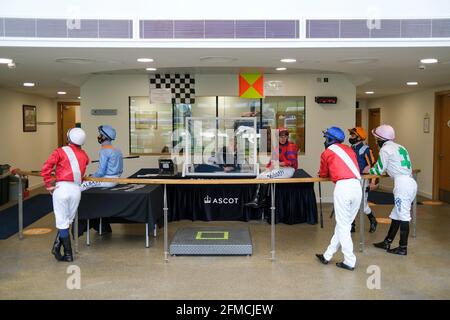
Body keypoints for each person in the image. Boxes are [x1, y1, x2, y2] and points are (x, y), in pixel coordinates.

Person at [315, 127, 362, 271]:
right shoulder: (349, 149)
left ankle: (349, 260)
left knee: (343, 226)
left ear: (330, 139)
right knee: (344, 224)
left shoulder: (327, 152)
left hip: (343, 188)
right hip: (357, 186)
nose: (324, 141)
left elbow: (323, 173)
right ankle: (327, 255)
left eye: (326, 138)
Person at [366, 124, 417, 256]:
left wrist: (367, 170)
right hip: (410, 182)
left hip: (402, 185)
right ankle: (387, 242)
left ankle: (402, 247)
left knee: (404, 215)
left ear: (381, 139)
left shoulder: (385, 149)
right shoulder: (400, 147)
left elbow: (379, 169)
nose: (376, 141)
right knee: (396, 214)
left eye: (377, 138)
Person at [41, 128, 89, 262]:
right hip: (76, 190)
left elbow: (46, 168)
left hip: (61, 188)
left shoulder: (59, 151)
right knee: (67, 221)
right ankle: (56, 247)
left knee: (62, 222)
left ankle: (68, 254)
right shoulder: (84, 155)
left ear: (69, 138)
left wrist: (48, 184)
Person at [80, 125, 123, 234]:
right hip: (116, 179)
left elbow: (101, 172)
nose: (99, 137)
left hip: (107, 181)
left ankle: (81, 220)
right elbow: (120, 169)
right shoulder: (117, 150)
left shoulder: (104, 151)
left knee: (79, 188)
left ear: (105, 137)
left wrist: (91, 177)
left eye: (101, 135)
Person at [244, 127, 298, 208]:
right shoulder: (277, 147)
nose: (283, 138)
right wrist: (267, 169)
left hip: (289, 169)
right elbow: (272, 162)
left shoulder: (291, 146)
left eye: (285, 136)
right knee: (260, 176)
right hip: (280, 168)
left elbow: (291, 162)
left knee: (266, 177)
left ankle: (260, 200)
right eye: (281, 136)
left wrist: (279, 163)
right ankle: (256, 199)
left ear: (287, 137)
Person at [348, 127, 378, 233]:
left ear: (359, 137)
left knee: (362, 205)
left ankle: (373, 220)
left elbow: (374, 166)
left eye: (353, 135)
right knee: (350, 202)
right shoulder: (350, 148)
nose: (350, 137)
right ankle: (352, 225)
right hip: (352, 180)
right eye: (351, 135)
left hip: (363, 180)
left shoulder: (366, 149)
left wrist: (373, 182)